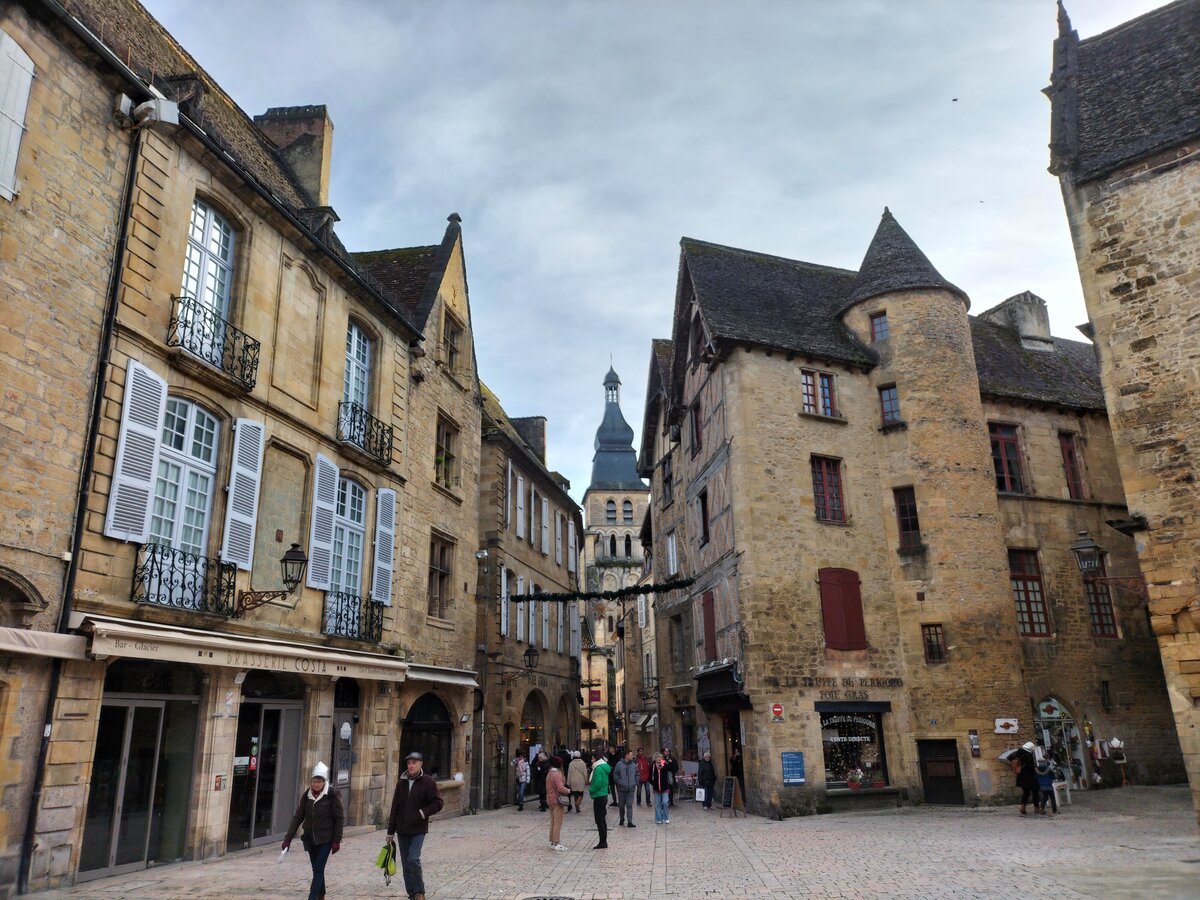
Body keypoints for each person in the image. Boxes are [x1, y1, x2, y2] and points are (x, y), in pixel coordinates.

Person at [387, 751, 445, 900]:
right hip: (402, 828)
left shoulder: (428, 782)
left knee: (413, 859)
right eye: (409, 763)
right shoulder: (401, 783)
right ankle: (412, 894)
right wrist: (390, 832)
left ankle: (420, 891)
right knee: (406, 864)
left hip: (419, 828)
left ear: (420, 764)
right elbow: (395, 807)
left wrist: (422, 813)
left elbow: (438, 803)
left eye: (414, 762)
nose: (411, 765)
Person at [282, 761, 344, 900]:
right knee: (317, 869)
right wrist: (288, 839)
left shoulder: (332, 794)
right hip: (310, 838)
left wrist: (336, 840)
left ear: (324, 782)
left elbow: (339, 818)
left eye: (319, 781)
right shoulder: (307, 795)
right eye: (314, 781)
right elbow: (298, 817)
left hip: (326, 838)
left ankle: (313, 897)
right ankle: (321, 896)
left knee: (318, 868)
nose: (316, 784)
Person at [588, 751, 613, 849]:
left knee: (599, 820)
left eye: (592, 758)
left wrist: (591, 790)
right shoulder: (603, 767)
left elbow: (598, 782)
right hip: (603, 795)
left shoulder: (598, 769)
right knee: (602, 819)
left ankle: (602, 842)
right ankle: (603, 841)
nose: (591, 760)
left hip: (599, 795)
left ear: (595, 759)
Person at [546, 755, 571, 850]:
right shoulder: (557, 774)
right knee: (558, 822)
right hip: (557, 800)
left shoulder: (549, 773)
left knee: (553, 821)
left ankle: (552, 841)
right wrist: (568, 791)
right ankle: (557, 842)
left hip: (550, 799)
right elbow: (560, 788)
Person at [1012, 741, 1041, 815]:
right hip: (1029, 776)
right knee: (1035, 791)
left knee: (1026, 792)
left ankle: (1022, 807)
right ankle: (1036, 808)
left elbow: (1010, 759)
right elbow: (1030, 767)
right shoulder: (1028, 755)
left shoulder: (1018, 753)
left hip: (1020, 776)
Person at [613, 748, 638, 827]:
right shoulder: (619, 764)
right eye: (631, 754)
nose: (632, 756)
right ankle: (621, 819)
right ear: (626, 755)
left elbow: (637, 774)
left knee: (629, 805)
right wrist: (620, 782)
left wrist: (635, 782)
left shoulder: (633, 765)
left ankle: (630, 821)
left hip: (631, 788)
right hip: (621, 789)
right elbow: (615, 775)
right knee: (621, 805)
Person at [650, 751, 672, 824]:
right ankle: (659, 819)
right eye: (657, 757)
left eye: (660, 757)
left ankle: (666, 817)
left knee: (665, 802)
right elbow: (650, 776)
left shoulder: (665, 765)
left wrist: (668, 761)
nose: (658, 759)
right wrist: (653, 783)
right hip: (656, 788)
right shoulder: (653, 766)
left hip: (665, 787)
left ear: (662, 758)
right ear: (655, 759)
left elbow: (672, 769)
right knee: (658, 804)